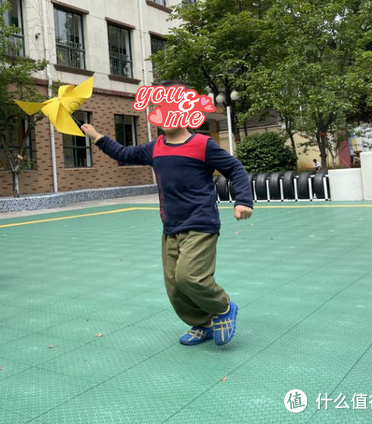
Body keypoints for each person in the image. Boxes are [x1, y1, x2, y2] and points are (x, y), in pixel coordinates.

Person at [80, 123, 253, 346]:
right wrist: (95, 135)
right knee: (174, 285)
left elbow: (235, 169)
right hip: (171, 225)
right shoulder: (156, 148)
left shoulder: (202, 144)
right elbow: (123, 153)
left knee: (188, 276)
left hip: (201, 223)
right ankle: (203, 323)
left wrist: (243, 201)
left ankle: (224, 308)